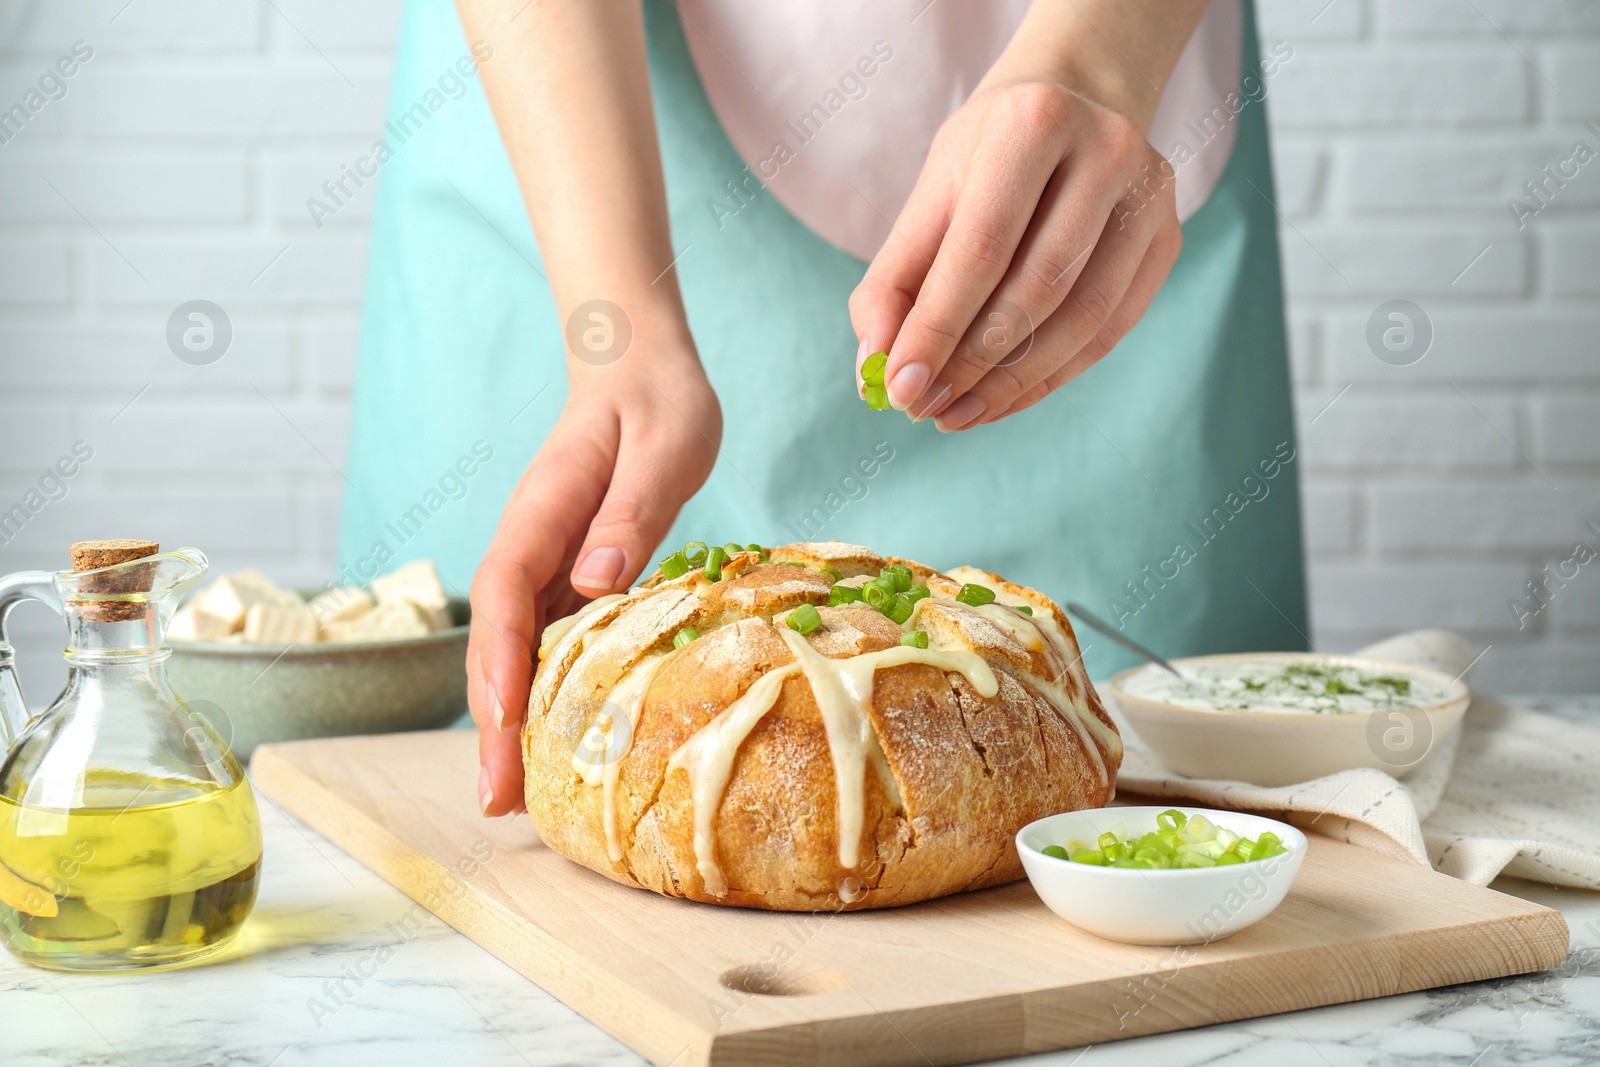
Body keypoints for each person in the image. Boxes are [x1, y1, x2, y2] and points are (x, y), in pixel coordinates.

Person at [339, 0, 1308, 817]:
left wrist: (1099, 58)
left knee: (1174, 793)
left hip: (1112, 116)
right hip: (579, 114)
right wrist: (618, 339)